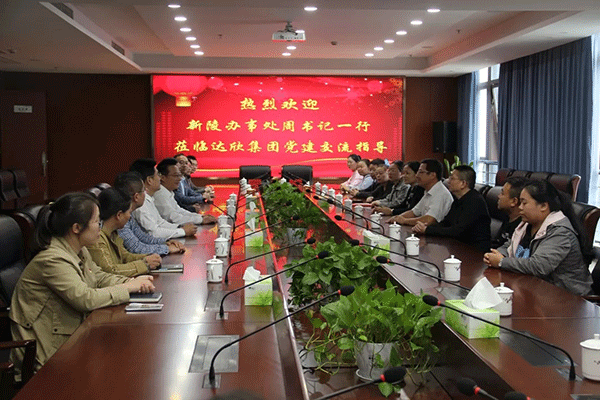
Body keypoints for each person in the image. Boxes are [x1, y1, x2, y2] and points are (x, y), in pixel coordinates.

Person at [9, 192, 155, 376]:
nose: (100, 227)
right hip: (47, 356)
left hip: (73, 338)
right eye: (96, 222)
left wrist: (131, 282)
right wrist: (126, 288)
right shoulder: (52, 260)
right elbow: (85, 299)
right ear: (76, 228)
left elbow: (99, 277)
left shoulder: (79, 250)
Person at [483, 180, 592, 296]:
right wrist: (496, 255)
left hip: (567, 297)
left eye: (524, 203)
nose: (520, 207)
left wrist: (501, 262)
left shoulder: (561, 232)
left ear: (544, 206)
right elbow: (509, 245)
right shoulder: (526, 225)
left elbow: (538, 266)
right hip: (532, 289)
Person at [412, 165, 491, 252]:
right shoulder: (458, 199)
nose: (448, 181)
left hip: (474, 251)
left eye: (452, 178)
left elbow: (458, 231)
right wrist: (426, 227)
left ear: (463, 183)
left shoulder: (475, 202)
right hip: (457, 246)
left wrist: (427, 230)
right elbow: (446, 223)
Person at [87, 188, 162, 276]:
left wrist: (148, 257)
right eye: (129, 212)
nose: (130, 217)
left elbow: (125, 257)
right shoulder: (98, 238)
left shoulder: (114, 233)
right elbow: (110, 270)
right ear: (119, 215)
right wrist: (145, 264)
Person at [114, 171, 185, 255]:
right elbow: (135, 248)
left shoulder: (129, 214)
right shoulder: (120, 217)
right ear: (136, 197)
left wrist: (166, 242)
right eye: (144, 190)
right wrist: (167, 249)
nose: (146, 191)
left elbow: (143, 237)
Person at [130, 158, 198, 239]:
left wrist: (180, 228)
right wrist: (183, 231)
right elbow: (153, 233)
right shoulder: (141, 203)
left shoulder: (148, 198)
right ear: (149, 180)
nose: (160, 178)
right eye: (158, 175)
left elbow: (161, 223)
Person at [389, 159, 453, 226]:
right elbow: (414, 212)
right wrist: (397, 218)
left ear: (432, 175)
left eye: (421, 172)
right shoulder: (428, 191)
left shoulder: (440, 193)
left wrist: (404, 220)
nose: (417, 175)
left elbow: (429, 219)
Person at [154, 158, 217, 226]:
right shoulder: (159, 194)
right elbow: (173, 218)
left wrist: (201, 217)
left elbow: (179, 210)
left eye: (179, 175)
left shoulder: (168, 192)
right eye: (176, 175)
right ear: (162, 177)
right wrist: (200, 219)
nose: (179, 179)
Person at [492, 176, 528, 248]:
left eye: (502, 193)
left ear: (514, 201)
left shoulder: (523, 228)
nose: (499, 196)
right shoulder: (506, 216)